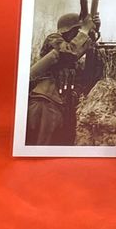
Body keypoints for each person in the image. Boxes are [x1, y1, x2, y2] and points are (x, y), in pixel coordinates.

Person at [26, 12, 99, 146]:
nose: (80, 35)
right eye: (77, 31)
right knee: (41, 149)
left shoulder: (74, 58)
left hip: (60, 107)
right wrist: (84, 30)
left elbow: (89, 74)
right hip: (45, 103)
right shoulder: (54, 39)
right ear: (69, 31)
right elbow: (68, 53)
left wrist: (93, 33)